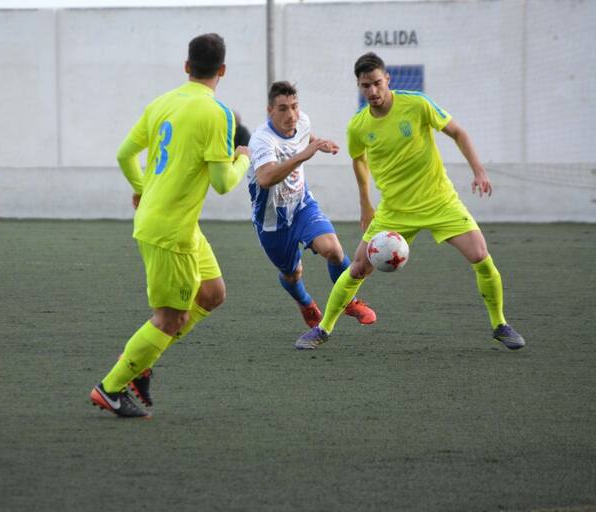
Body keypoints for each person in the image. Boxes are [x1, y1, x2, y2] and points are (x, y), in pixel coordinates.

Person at [296, 52, 525, 351]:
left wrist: (479, 171)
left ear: (387, 79)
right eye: (365, 86)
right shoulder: (358, 126)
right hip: (395, 210)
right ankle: (323, 329)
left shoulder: (417, 104)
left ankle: (500, 324)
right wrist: (366, 204)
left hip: (440, 201)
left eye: (377, 83)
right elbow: (359, 160)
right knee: (358, 268)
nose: (372, 91)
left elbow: (457, 132)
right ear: (359, 86)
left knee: (480, 255)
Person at [90, 33, 251, 418]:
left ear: (186, 66)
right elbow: (223, 183)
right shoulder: (219, 114)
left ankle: (143, 360)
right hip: (170, 231)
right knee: (171, 318)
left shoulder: (161, 103)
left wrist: (142, 188)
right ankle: (111, 388)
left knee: (212, 293)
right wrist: (243, 157)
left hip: (177, 224)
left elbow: (125, 154)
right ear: (223, 70)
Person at [246, 81, 376, 329]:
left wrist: (320, 144)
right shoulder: (262, 140)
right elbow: (265, 178)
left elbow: (305, 137)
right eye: (283, 109)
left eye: (294, 106)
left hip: (302, 205)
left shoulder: (302, 121)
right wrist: (304, 155)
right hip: (272, 221)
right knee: (293, 273)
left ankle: (350, 301)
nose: (291, 115)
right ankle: (305, 303)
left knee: (334, 250)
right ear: (270, 111)